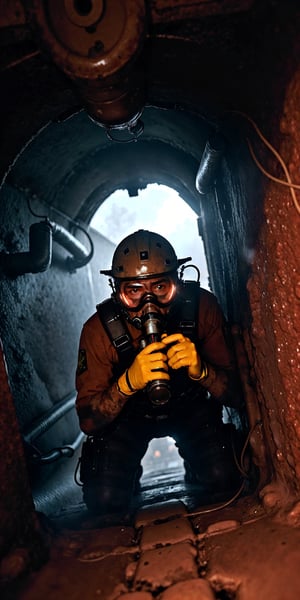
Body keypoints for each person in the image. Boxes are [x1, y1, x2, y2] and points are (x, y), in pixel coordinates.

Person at [75, 229, 243, 516]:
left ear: (178, 282)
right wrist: (127, 384)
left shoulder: (200, 308)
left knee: (224, 476)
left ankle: (197, 464)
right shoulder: (99, 330)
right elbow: (89, 422)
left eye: (160, 287)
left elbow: (238, 395)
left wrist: (203, 371)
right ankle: (128, 475)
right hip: (129, 419)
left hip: (189, 409)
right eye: (134, 291)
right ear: (117, 292)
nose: (148, 304)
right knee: (104, 498)